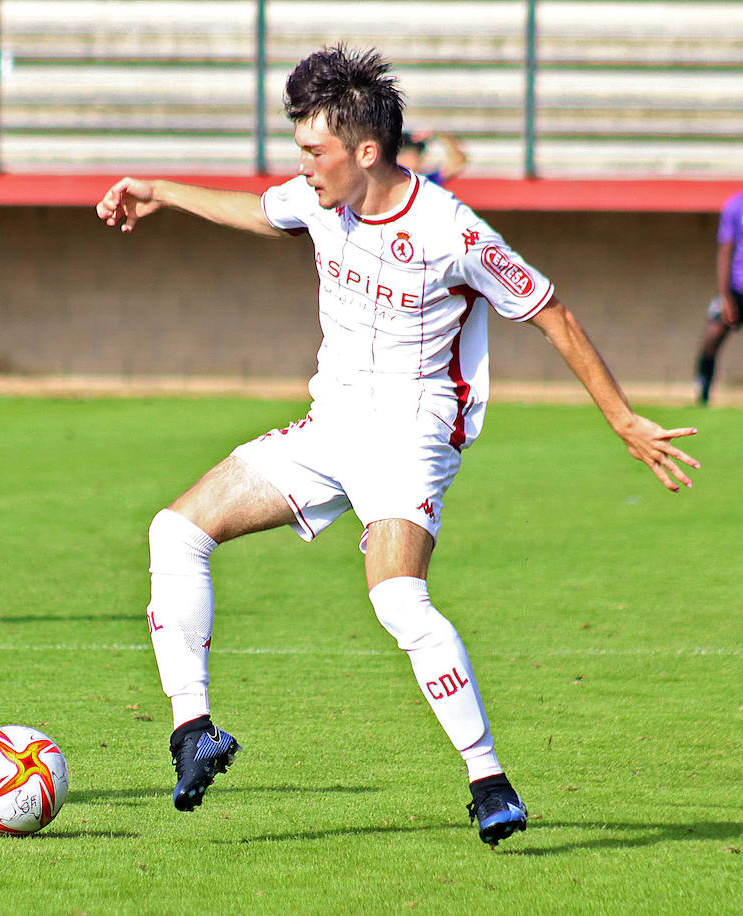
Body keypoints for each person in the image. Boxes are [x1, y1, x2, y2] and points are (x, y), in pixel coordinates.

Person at [96, 45, 698, 848]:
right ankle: (192, 731)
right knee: (174, 531)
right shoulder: (319, 200)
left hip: (414, 432)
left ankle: (488, 779)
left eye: (314, 151)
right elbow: (253, 210)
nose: (302, 167)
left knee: (395, 600)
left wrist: (622, 417)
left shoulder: (450, 231)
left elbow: (552, 310)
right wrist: (157, 191)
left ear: (365, 151)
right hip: (332, 423)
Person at [692, 188, 743, 405]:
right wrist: (725, 297)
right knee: (711, 340)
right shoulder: (735, 206)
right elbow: (725, 250)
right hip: (735, 288)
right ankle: (702, 390)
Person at [397, 130, 467, 185]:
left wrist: (442, 135)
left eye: (419, 153)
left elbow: (457, 164)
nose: (420, 157)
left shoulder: (425, 181)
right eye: (413, 153)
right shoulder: (391, 182)